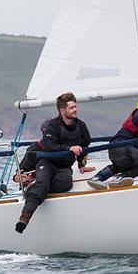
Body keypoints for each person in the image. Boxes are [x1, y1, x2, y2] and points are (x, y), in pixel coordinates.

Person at [15, 92, 91, 234]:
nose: (75, 109)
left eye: (75, 106)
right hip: (47, 162)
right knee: (43, 183)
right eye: (72, 107)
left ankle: (35, 189)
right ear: (62, 111)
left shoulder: (81, 126)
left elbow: (85, 144)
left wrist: (81, 164)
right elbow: (49, 145)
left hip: (64, 166)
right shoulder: (53, 125)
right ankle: (24, 218)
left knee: (65, 183)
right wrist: (69, 148)